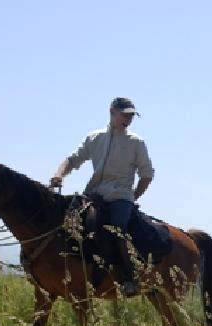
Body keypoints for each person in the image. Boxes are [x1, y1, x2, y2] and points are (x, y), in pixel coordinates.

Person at [50, 97, 154, 296]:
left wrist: (132, 197)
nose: (128, 119)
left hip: (120, 196)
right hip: (94, 194)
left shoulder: (136, 143)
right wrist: (58, 174)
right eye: (125, 115)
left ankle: (127, 277)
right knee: (67, 220)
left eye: (131, 116)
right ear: (112, 111)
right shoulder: (94, 137)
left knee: (117, 228)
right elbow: (73, 160)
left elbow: (146, 174)